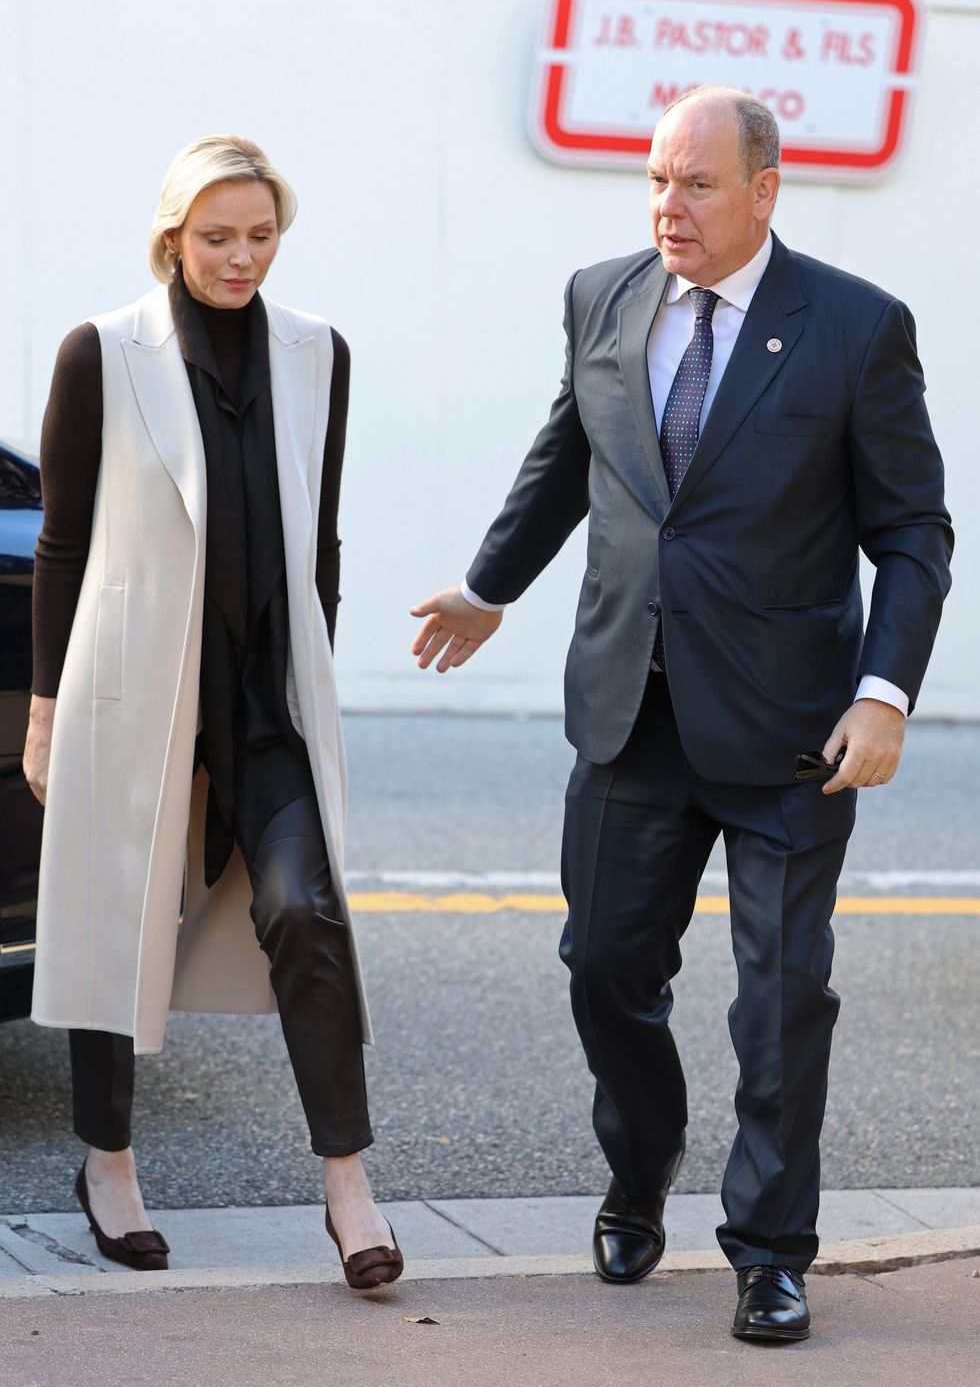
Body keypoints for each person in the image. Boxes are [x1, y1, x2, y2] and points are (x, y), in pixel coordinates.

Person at [411, 87, 952, 1342]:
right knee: (601, 969)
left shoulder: (854, 328)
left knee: (777, 1005)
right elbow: (567, 455)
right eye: (656, 180)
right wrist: (491, 586)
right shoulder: (601, 294)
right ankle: (638, 1167)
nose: (668, 205)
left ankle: (768, 1249)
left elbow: (912, 533)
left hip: (790, 730)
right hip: (628, 710)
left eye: (695, 184)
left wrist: (883, 693)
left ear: (763, 190)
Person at [23, 135, 403, 1290]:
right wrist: (47, 708)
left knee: (307, 914)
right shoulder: (102, 352)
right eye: (216, 237)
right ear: (172, 239)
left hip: (262, 707)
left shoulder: (318, 354)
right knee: (114, 927)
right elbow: (61, 540)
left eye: (259, 234)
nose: (241, 257)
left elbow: (319, 538)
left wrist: (314, 684)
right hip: (135, 695)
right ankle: (109, 1167)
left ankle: (349, 1190)